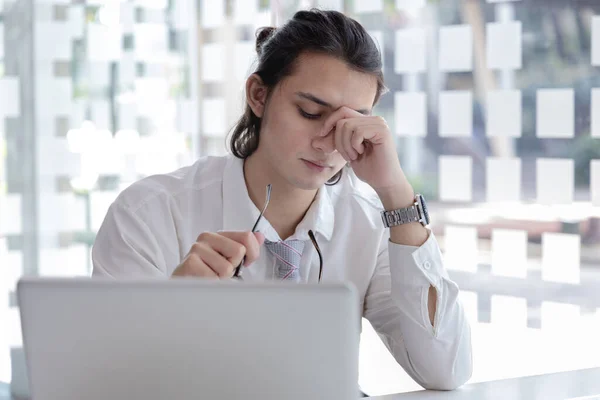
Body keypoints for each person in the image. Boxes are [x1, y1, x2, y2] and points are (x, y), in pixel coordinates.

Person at [92, 8, 472, 391]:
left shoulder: (369, 223)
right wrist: (174, 307)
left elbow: (446, 370)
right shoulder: (149, 214)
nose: (327, 143)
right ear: (259, 95)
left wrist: (395, 192)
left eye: (349, 124)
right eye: (309, 112)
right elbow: (104, 384)